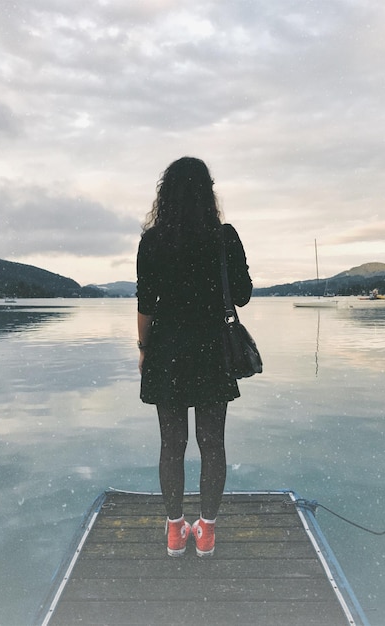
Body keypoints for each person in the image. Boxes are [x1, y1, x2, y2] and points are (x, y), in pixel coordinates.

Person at [136, 156, 252, 557]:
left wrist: (143, 349)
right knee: (212, 442)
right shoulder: (224, 237)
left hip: (166, 349)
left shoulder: (153, 240)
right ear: (208, 193)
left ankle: (174, 530)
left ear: (165, 194)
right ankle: (207, 532)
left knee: (172, 443)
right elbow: (242, 295)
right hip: (211, 349)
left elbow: (145, 303)